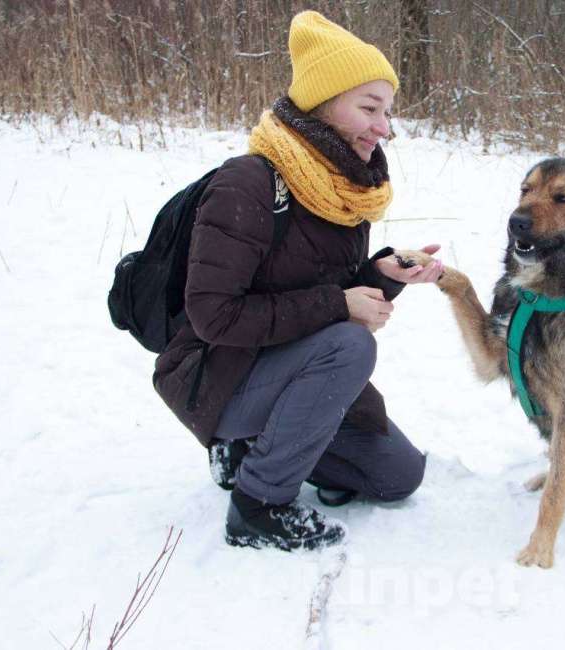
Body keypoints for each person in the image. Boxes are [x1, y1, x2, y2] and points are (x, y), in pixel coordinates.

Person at [153, 11, 442, 552]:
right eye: (369, 109)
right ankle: (258, 506)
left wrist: (379, 274)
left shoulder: (341, 188)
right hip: (216, 374)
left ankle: (249, 447)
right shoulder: (248, 184)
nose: (385, 127)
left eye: (388, 112)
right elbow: (213, 316)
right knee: (350, 344)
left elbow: (324, 285)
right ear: (324, 104)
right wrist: (339, 305)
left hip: (292, 364)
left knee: (397, 477)